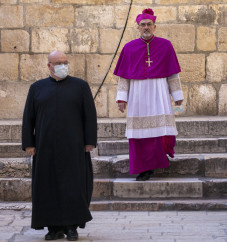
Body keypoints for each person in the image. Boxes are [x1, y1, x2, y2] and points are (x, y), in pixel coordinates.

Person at [22, 50, 97, 240]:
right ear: (49, 66)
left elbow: (89, 116)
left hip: (74, 147)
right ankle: (53, 228)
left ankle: (71, 227)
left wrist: (89, 141)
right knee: (48, 187)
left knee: (74, 186)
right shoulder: (37, 88)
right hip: (45, 147)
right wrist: (29, 144)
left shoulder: (80, 86)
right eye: (58, 63)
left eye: (65, 62)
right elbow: (28, 118)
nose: (63, 65)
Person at [114, 8, 184, 181]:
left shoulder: (166, 45)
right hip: (137, 95)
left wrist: (177, 95)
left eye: (149, 24)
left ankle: (155, 162)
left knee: (159, 132)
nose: (146, 27)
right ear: (138, 28)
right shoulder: (129, 48)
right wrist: (122, 98)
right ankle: (143, 168)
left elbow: (172, 74)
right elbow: (123, 77)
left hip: (159, 93)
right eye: (142, 25)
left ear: (155, 27)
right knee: (138, 134)